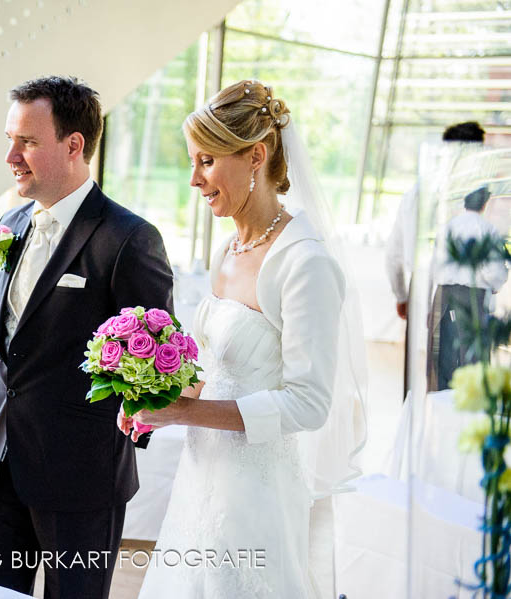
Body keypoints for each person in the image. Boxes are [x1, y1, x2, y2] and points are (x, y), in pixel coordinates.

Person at [121, 80, 366, 598]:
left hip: (255, 493)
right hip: (201, 476)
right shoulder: (230, 248)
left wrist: (185, 414)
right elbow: (216, 369)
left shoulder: (306, 263)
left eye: (206, 161)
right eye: (193, 162)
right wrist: (162, 398)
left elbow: (309, 403)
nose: (194, 179)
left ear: (255, 156)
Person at [0, 76, 174, 599]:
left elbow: (157, 364)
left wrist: (135, 423)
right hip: (2, 465)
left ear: (73, 145)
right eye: (10, 139)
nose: (11, 156)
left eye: (27, 142)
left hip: (81, 477)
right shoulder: (11, 224)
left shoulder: (128, 239)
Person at [385, 122, 485, 395]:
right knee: (464, 381)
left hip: (424, 287)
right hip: (447, 289)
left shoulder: (416, 191)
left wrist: (402, 295)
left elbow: (392, 253)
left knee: (429, 384)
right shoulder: (471, 195)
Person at [426, 186, 508, 391]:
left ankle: (439, 396)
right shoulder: (487, 229)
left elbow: (434, 265)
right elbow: (494, 270)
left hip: (443, 293)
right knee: (472, 353)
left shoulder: (447, 227)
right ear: (484, 204)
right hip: (472, 295)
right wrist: (496, 285)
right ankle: (470, 401)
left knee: (442, 350)